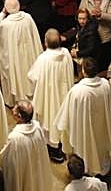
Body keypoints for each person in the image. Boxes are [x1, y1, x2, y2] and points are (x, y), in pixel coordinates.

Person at [54, 57, 111, 178]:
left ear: (83, 71)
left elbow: (67, 114)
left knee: (85, 148)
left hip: (83, 130)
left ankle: (86, 168)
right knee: (99, 146)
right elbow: (110, 108)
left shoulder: (77, 91)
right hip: (101, 126)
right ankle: (101, 167)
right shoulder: (105, 85)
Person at [29, 28, 76, 159]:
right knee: (62, 118)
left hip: (49, 96)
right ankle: (62, 144)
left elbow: (33, 77)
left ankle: (54, 149)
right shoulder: (66, 53)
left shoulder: (43, 58)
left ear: (45, 42)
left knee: (49, 119)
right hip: (63, 93)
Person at [0, 0, 43, 106]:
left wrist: (2, 13)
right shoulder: (28, 17)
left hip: (14, 57)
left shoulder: (6, 23)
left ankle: (14, 100)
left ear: (6, 8)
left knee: (16, 76)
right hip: (28, 54)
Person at [0, 101, 51, 191]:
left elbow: (7, 160)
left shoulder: (14, 138)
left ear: (19, 117)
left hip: (23, 171)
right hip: (35, 169)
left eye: (15, 108)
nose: (13, 109)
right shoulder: (37, 127)